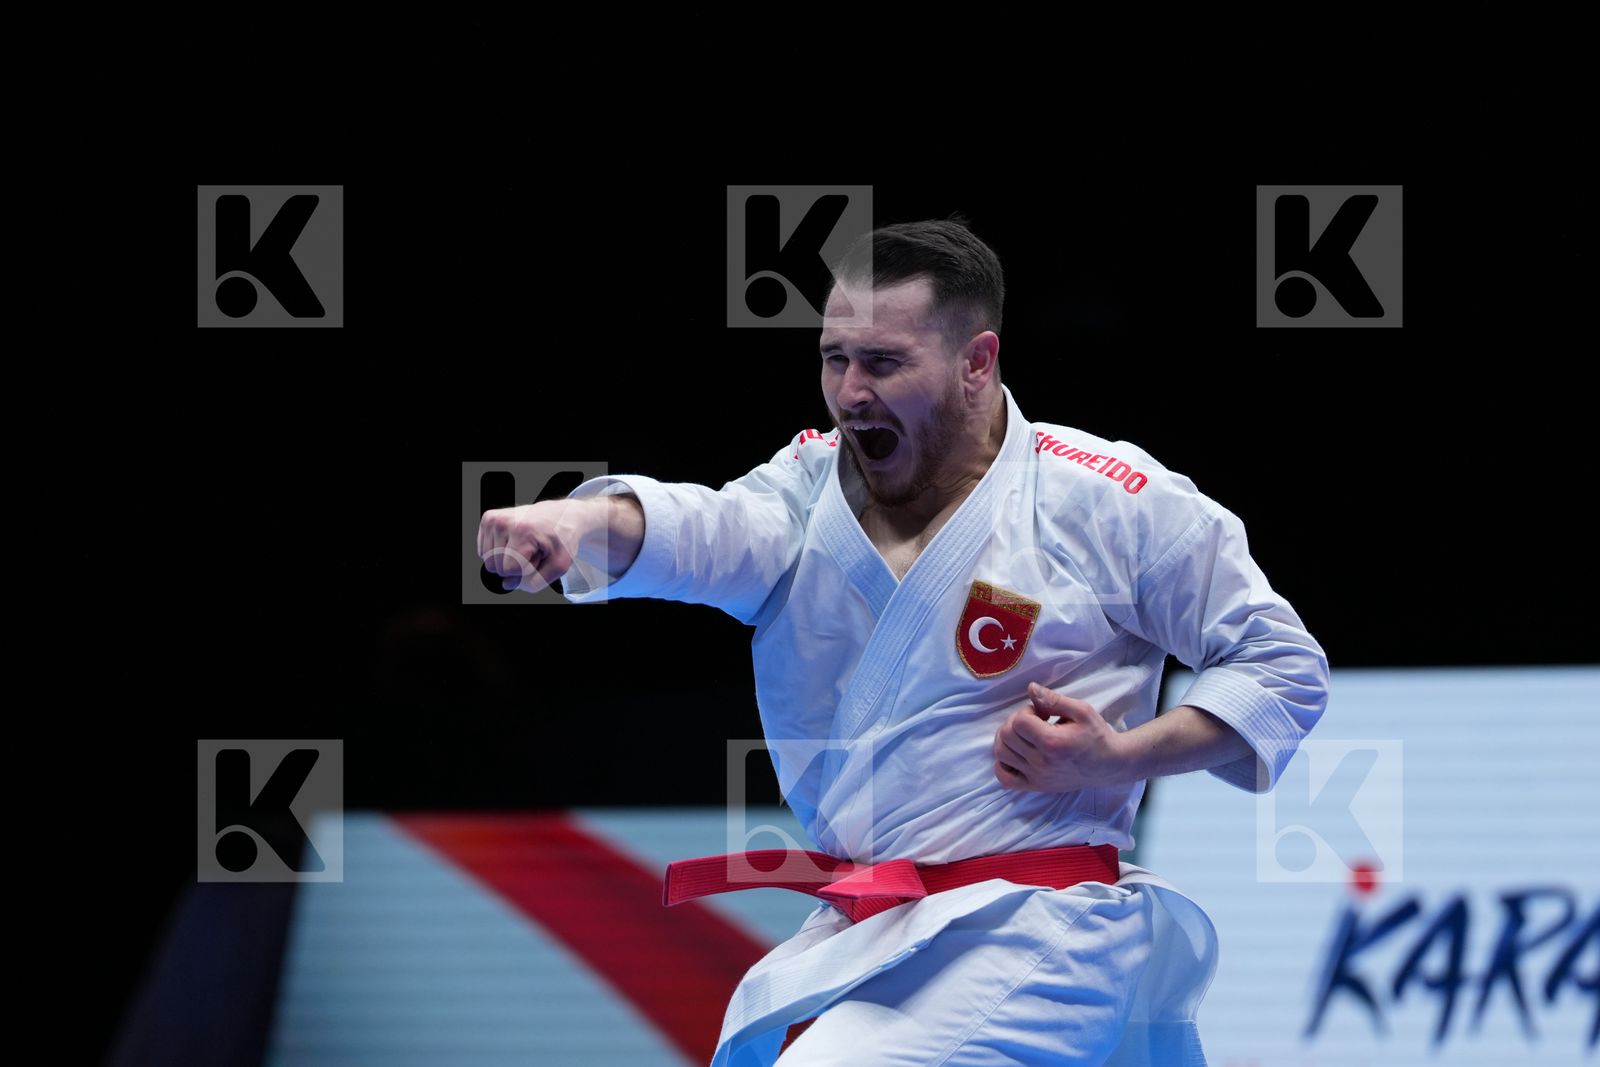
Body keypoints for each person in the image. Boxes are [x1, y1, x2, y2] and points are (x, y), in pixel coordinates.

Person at [478, 218, 1330, 1065]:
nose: (850, 391)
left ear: (976, 363)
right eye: (833, 358)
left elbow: (1282, 665)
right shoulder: (806, 491)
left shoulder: (1105, 498)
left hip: (1038, 926)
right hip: (882, 933)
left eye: (883, 363)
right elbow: (702, 529)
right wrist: (575, 518)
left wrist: (1118, 756)